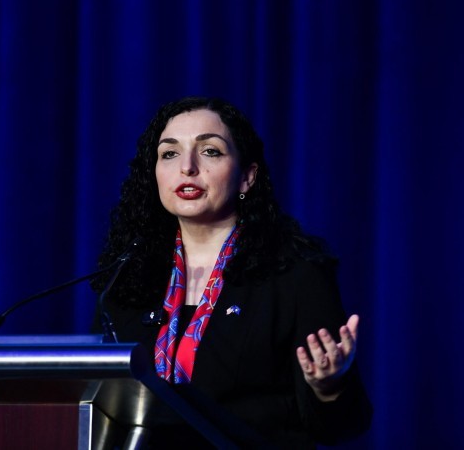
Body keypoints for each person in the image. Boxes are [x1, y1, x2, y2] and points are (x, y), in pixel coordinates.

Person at [91, 97, 372, 448]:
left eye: (210, 151)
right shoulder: (127, 277)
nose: (187, 168)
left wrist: (328, 387)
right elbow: (99, 407)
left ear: (247, 178)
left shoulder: (295, 274)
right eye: (170, 153)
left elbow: (344, 426)